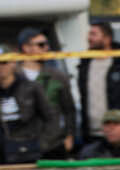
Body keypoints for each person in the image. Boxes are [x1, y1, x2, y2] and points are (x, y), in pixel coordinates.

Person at [16, 28, 76, 157]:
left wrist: (69, 135)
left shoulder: (58, 76)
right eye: (41, 45)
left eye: (47, 44)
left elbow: (69, 110)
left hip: (53, 142)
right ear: (26, 48)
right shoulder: (13, 77)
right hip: (21, 142)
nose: (47, 48)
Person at [0, 53, 61, 164]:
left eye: (4, 62)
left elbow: (51, 117)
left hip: (29, 149)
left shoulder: (31, 87)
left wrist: (41, 144)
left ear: (13, 63)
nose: (1, 67)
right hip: (4, 150)